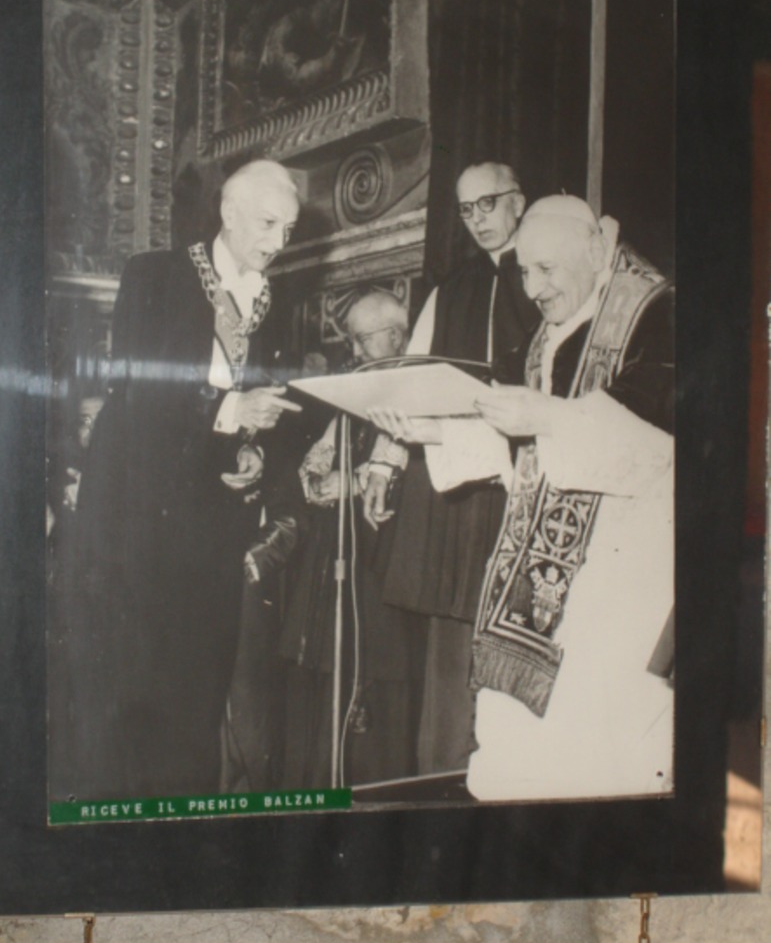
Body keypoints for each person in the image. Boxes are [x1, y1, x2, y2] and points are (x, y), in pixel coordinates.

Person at [369, 195, 674, 801]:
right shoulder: (549, 337)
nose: (532, 288)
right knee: (521, 751)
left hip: (622, 574)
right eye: (525, 271)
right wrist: (430, 431)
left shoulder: (656, 312)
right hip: (543, 587)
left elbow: (659, 449)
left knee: (599, 750)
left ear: (594, 251)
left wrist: (548, 417)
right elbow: (524, 449)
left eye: (546, 270)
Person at [48, 159, 302, 802]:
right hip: (131, 527)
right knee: (125, 707)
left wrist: (253, 454)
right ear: (229, 212)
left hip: (209, 536)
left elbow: (266, 412)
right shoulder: (155, 273)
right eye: (269, 224)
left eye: (290, 229)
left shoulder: (276, 300)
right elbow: (139, 385)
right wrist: (227, 411)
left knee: (196, 703)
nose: (279, 242)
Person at [363, 162, 539, 776]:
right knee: (449, 649)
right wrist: (384, 464)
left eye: (487, 205)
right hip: (456, 484)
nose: (476, 221)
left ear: (518, 202)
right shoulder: (451, 287)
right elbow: (411, 381)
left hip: (527, 483)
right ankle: (443, 779)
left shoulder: (549, 274)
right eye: (465, 211)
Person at [279, 289, 426, 790]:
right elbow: (320, 456)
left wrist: (358, 480)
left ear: (397, 336)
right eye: (352, 342)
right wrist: (318, 479)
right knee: (328, 683)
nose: (356, 353)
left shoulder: (419, 389)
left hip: (383, 564)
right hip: (336, 557)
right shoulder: (360, 389)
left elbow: (411, 465)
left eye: (363, 340)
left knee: (379, 689)